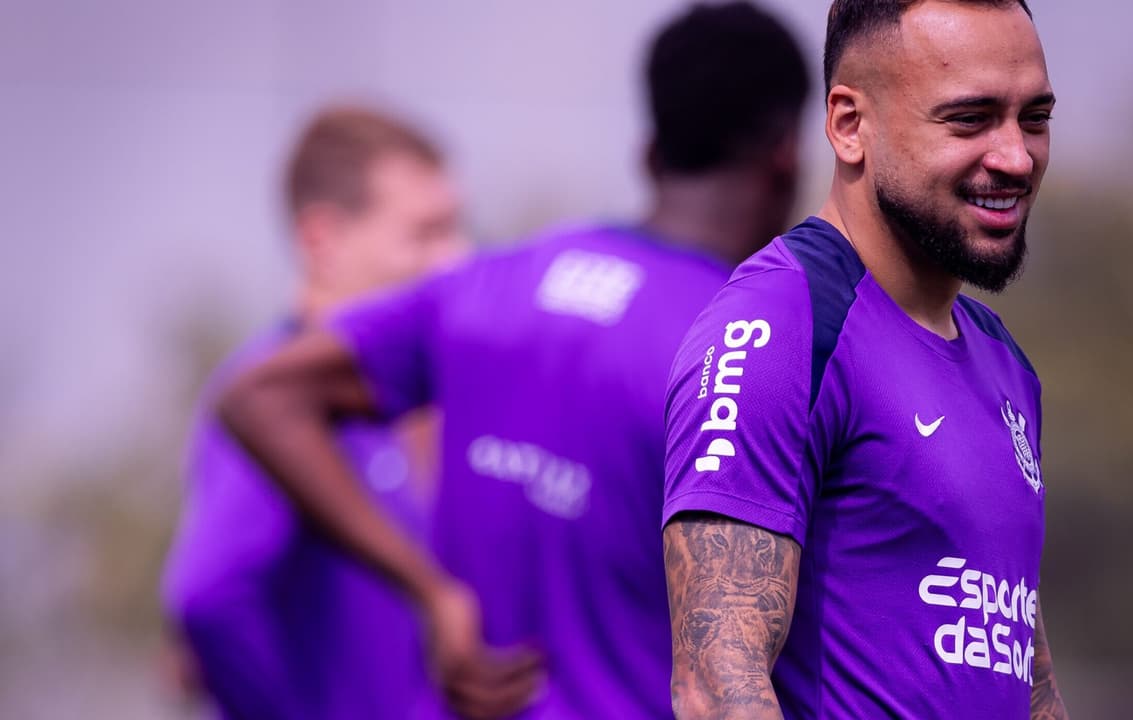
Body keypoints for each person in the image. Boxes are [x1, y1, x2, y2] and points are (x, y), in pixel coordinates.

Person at [214, 3, 810, 718]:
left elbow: (258, 396)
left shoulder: (491, 285)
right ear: (785, 152)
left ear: (650, 152)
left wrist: (430, 593)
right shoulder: (758, 352)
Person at [661, 1, 1070, 718]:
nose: (1015, 156)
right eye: (970, 119)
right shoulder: (782, 326)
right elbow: (716, 687)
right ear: (850, 124)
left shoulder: (1006, 361)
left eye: (1033, 118)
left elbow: (1021, 669)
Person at [162, 106, 470, 720]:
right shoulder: (271, 398)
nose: (455, 260)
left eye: (456, 229)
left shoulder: (388, 400)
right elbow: (209, 596)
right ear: (321, 240)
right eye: (425, 234)